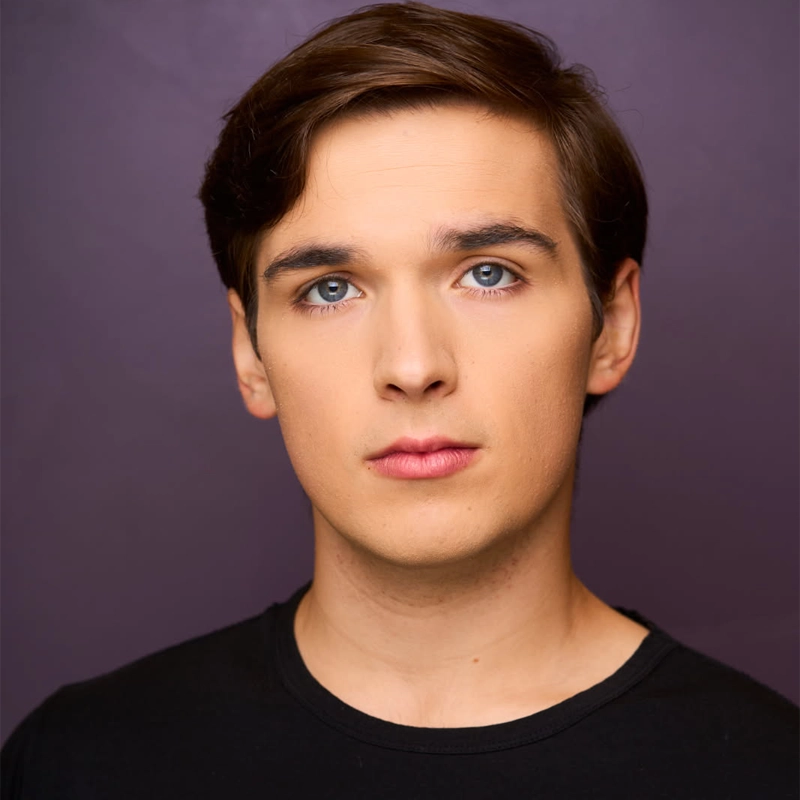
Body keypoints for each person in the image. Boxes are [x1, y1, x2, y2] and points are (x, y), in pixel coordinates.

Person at [2, 3, 796, 797]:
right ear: (250, 351)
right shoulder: (76, 764)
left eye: (489, 273)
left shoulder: (768, 770)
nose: (413, 366)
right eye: (331, 289)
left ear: (611, 326)